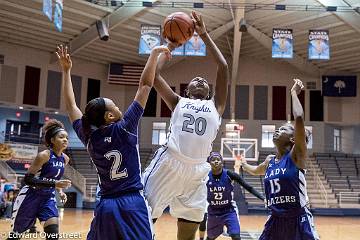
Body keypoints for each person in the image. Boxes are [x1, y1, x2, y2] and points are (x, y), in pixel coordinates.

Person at [56, 44, 170, 240]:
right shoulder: (125, 127)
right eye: (115, 106)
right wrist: (153, 54)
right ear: (110, 116)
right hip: (132, 202)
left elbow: (71, 106)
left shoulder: (89, 136)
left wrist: (66, 72)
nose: (119, 108)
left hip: (106, 206)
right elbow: (145, 85)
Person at [142, 11, 229, 240]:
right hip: (169, 162)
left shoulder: (216, 106)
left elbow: (223, 67)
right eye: (194, 80)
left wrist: (204, 34)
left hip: (198, 170)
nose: (200, 79)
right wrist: (169, 46)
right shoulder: (177, 102)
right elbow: (154, 75)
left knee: (189, 229)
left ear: (209, 92)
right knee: (142, 217)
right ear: (186, 91)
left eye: (204, 81)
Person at [240, 79, 319, 240]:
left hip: (298, 219)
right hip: (275, 220)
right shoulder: (269, 161)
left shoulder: (297, 155)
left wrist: (293, 93)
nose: (277, 130)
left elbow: (299, 119)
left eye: (283, 129)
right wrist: (243, 164)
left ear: (293, 139)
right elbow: (256, 171)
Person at [7, 119, 71, 240]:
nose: (65, 140)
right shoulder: (44, 155)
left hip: (48, 198)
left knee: (53, 235)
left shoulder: (65, 159)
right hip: (30, 196)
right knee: (15, 236)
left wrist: (60, 191)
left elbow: (55, 178)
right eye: (61, 137)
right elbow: (28, 179)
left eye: (67, 138)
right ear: (52, 140)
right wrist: (55, 184)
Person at [206, 152, 264, 240]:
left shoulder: (229, 174)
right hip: (213, 212)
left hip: (228, 210)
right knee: (210, 238)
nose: (216, 161)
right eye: (213, 160)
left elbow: (248, 187)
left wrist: (263, 198)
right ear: (209, 163)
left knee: (236, 236)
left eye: (218, 159)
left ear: (222, 162)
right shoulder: (205, 176)